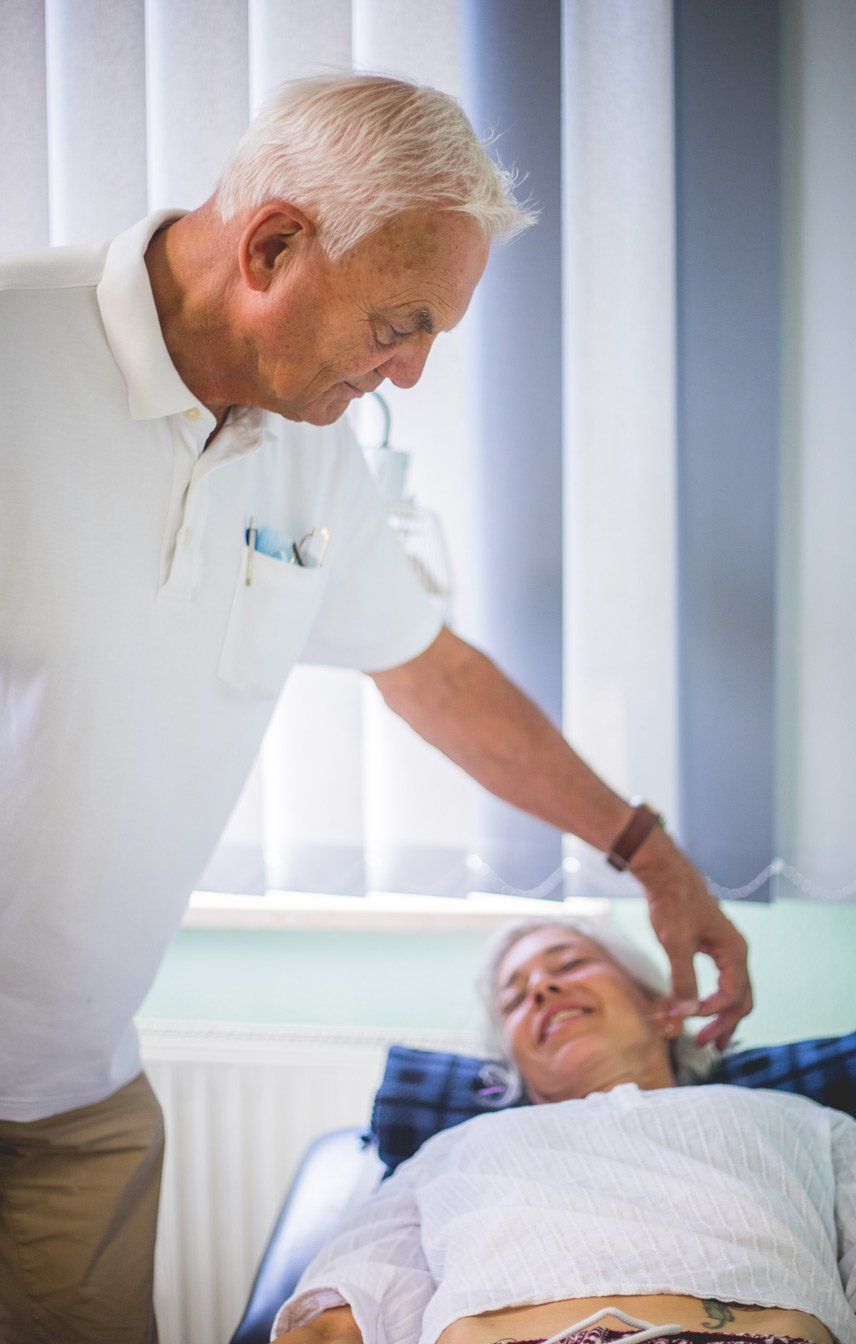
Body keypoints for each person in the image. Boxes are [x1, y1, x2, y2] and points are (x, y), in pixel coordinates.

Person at [0, 73, 750, 1344]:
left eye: (435, 333)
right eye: (400, 321)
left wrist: (651, 856)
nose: (411, 367)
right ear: (273, 244)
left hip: (73, 1094)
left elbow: (433, 674)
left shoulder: (312, 443)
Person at [272, 919, 856, 1344]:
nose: (540, 989)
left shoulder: (810, 1123)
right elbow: (341, 1320)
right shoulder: (449, 1151)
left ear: (664, 1010)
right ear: (514, 1062)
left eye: (567, 965)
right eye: (516, 996)